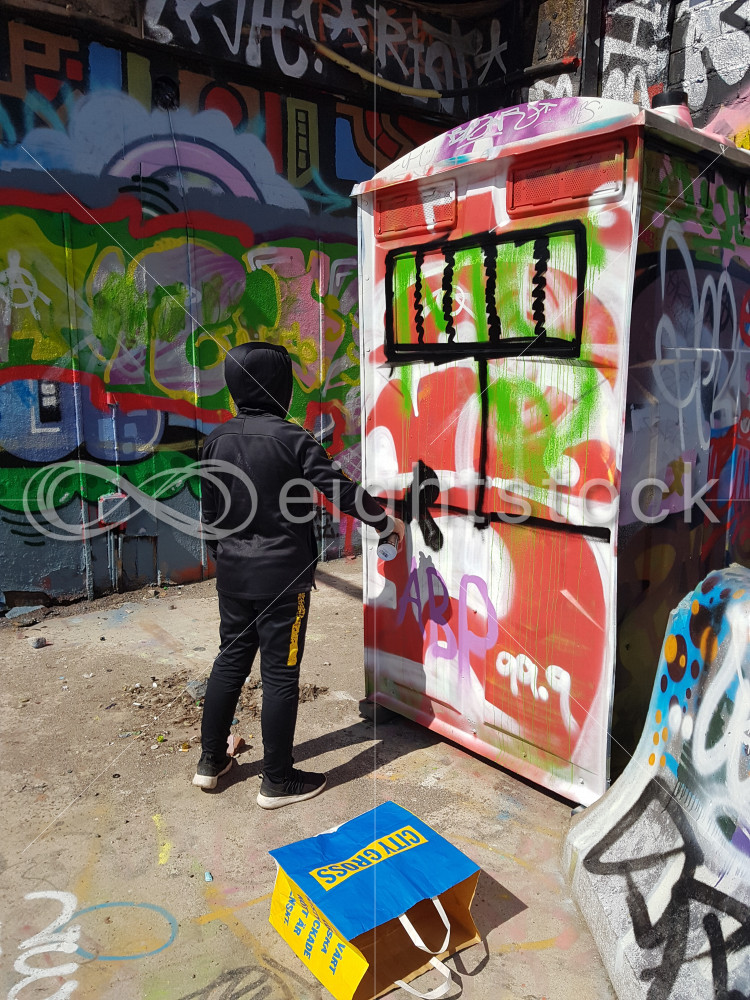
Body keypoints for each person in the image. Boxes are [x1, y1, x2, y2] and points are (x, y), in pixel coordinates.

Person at [193, 342, 404, 809]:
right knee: (280, 675)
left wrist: (227, 558)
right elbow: (340, 491)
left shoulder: (216, 440)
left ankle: (210, 762)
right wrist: (385, 522)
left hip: (233, 577)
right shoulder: (293, 439)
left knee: (230, 660)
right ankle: (277, 780)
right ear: (279, 387)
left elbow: (210, 516)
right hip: (283, 582)